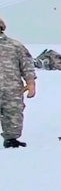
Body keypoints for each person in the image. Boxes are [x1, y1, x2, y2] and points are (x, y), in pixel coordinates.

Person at [0, 17, 36, 148]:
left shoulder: (15, 46)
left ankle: (11, 138)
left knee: (13, 113)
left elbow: (27, 65)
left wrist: (31, 83)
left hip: (12, 88)